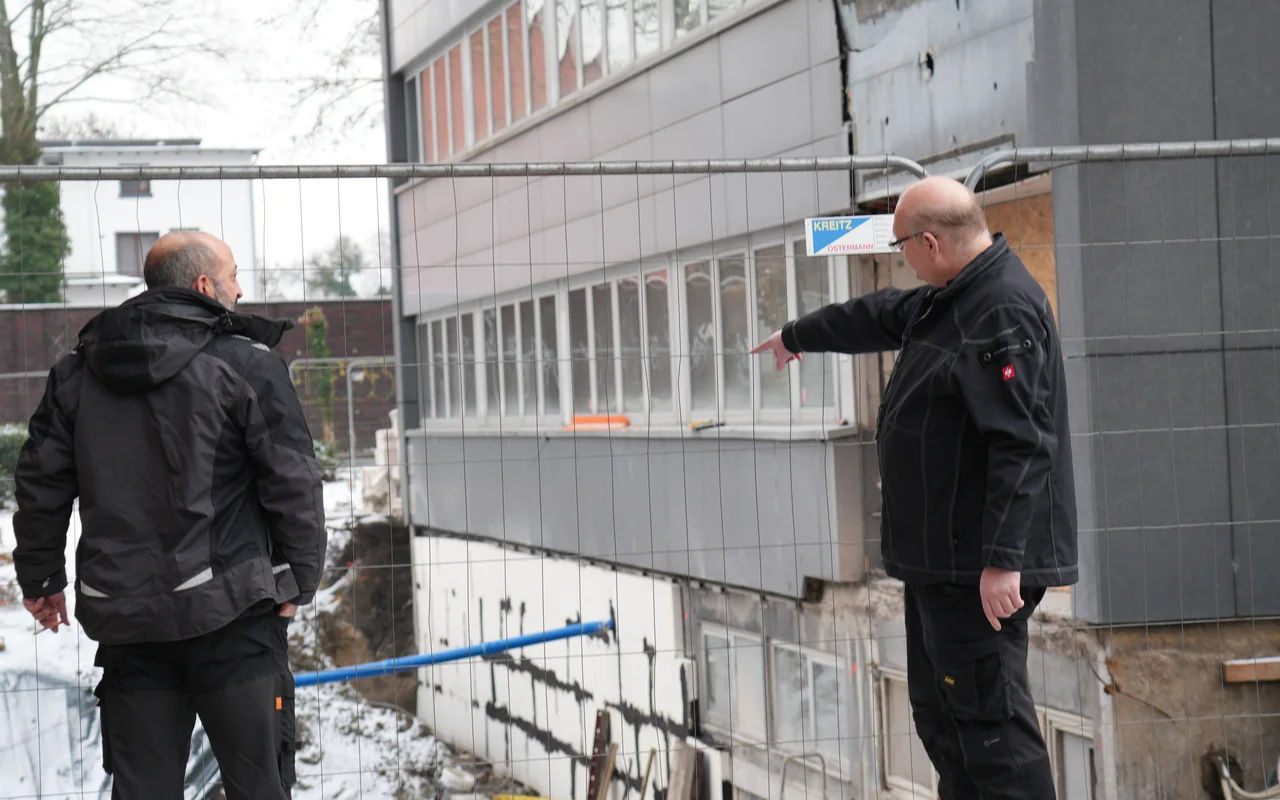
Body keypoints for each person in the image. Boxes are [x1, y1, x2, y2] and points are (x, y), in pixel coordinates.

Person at [753, 176, 1077, 798]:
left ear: (930, 242)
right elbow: (876, 314)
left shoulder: (1000, 310)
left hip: (979, 569)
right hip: (940, 563)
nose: (902, 257)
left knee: (991, 727)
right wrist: (798, 336)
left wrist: (1004, 562)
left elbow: (1025, 443)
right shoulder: (951, 297)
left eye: (902, 244)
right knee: (943, 717)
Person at [12, 231, 326, 799]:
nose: (240, 287)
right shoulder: (247, 365)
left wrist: (40, 577)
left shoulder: (78, 374)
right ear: (205, 285)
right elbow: (293, 478)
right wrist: (301, 576)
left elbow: (40, 482)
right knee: (259, 787)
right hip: (233, 618)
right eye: (233, 274)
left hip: (129, 622)